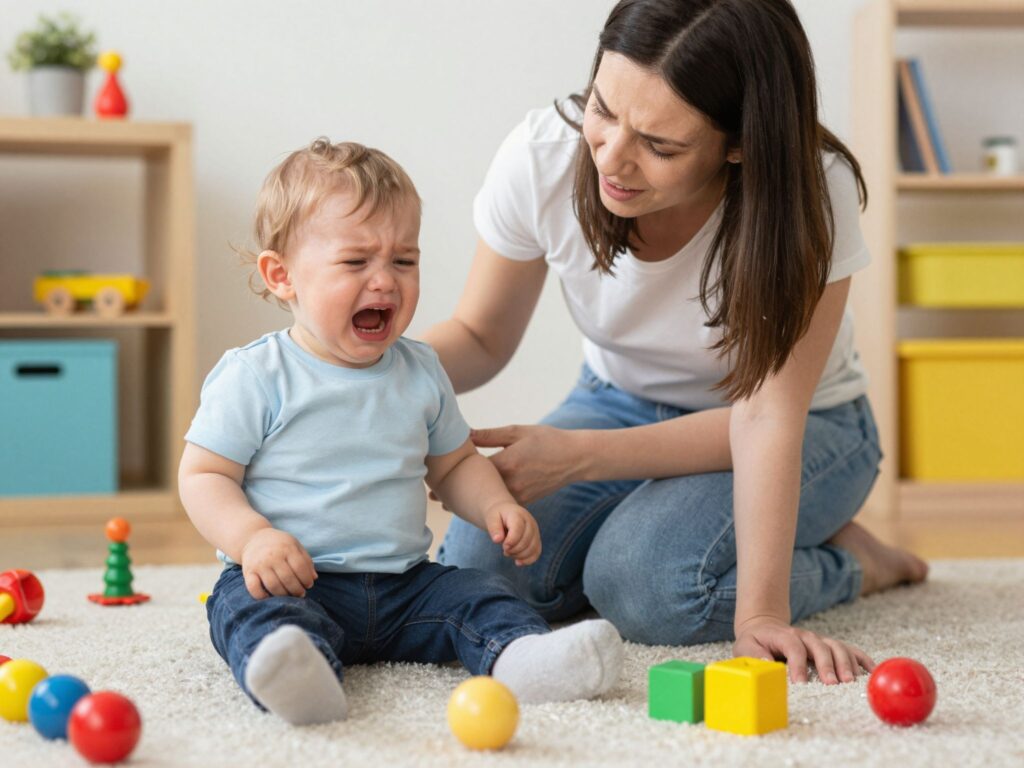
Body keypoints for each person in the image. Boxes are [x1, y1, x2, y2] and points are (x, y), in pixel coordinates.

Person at [423, 0, 928, 685]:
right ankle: (668, 529)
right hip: (620, 402)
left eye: (660, 146)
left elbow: (765, 416)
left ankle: (858, 563)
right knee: (479, 573)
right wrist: (354, 375)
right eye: (602, 108)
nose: (613, 158)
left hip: (805, 426)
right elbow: (481, 335)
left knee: (648, 588)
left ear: (741, 142)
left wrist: (759, 615)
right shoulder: (543, 154)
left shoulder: (811, 190)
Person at [178, 139, 623, 726]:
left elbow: (455, 463)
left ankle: (523, 659)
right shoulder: (256, 375)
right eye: (356, 262)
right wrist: (253, 539)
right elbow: (204, 475)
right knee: (246, 607)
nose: (384, 281)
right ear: (282, 276)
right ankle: (295, 671)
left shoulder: (420, 371)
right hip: (295, 580)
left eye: (403, 261)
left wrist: (495, 505)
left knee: (478, 593)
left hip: (405, 586)